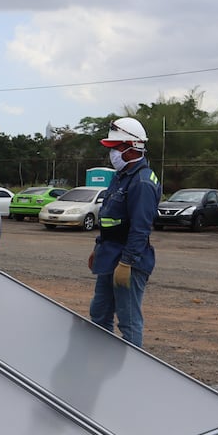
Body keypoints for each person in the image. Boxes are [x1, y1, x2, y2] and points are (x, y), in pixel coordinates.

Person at [88, 117, 161, 347]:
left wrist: (127, 263)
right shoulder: (122, 176)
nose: (112, 154)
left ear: (132, 148)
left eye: (116, 148)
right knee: (99, 315)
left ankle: (131, 372)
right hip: (108, 255)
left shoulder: (141, 182)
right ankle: (101, 362)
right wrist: (96, 248)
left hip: (128, 261)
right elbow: (110, 219)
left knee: (128, 322)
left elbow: (140, 228)